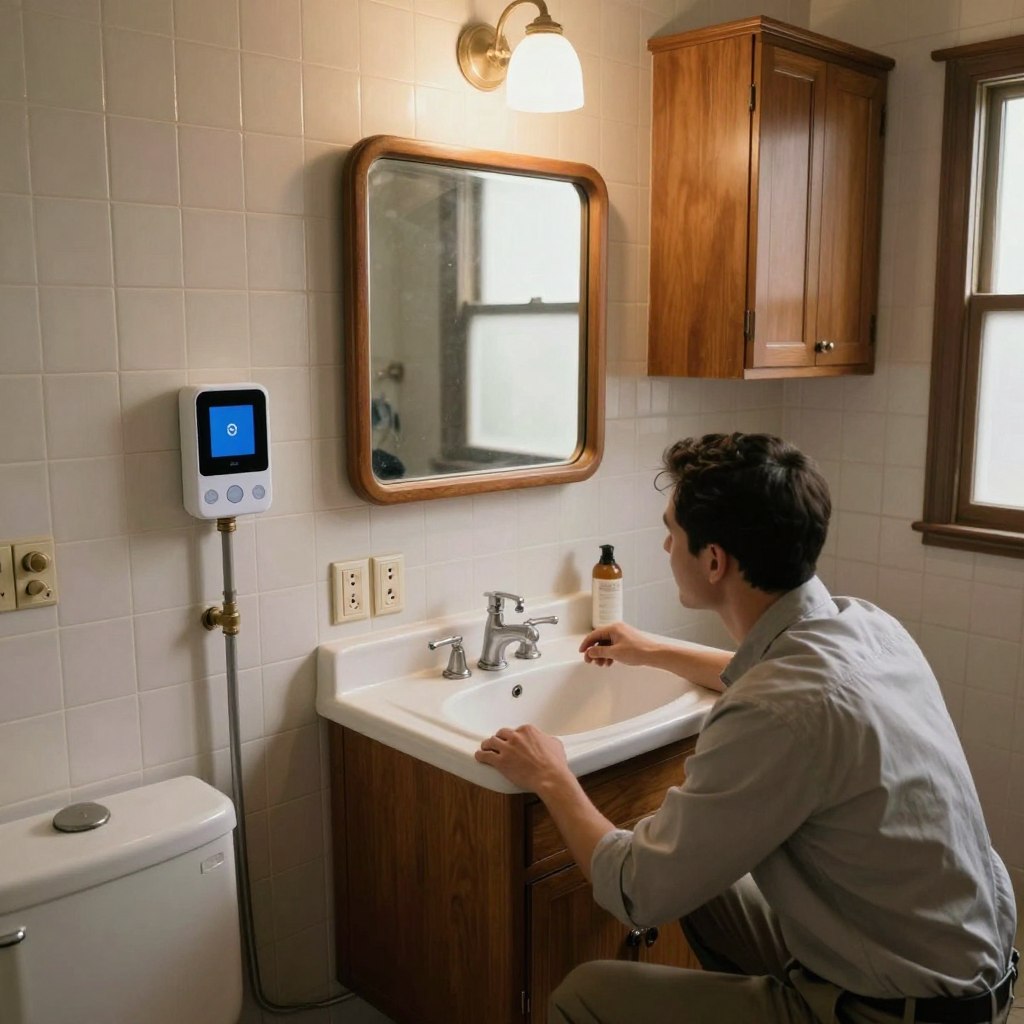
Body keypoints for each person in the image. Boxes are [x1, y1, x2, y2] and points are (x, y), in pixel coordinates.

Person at [475, 433, 1018, 1024]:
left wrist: (552, 776)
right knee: (710, 888)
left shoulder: (775, 711)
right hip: (962, 972)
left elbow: (637, 892)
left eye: (672, 533)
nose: (663, 544)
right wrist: (653, 650)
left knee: (584, 995)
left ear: (714, 561)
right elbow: (783, 686)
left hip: (891, 1011)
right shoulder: (868, 626)